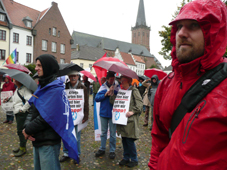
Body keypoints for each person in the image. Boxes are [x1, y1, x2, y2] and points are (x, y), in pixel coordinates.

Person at [148, 0, 227, 169]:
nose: (182, 33)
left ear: (213, 32)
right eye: (179, 26)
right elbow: (159, 139)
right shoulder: (166, 84)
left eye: (193, 25)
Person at [23, 54, 79, 170]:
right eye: (36, 65)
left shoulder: (56, 90)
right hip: (37, 139)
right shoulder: (41, 88)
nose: (36, 68)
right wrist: (26, 127)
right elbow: (32, 109)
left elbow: (46, 118)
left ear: (47, 67)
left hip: (49, 142)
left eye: (39, 65)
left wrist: (28, 130)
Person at [110, 75, 143, 168]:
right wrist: (112, 93)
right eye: (121, 81)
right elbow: (113, 103)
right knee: (124, 139)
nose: (122, 82)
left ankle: (134, 159)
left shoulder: (134, 91)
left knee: (129, 140)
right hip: (122, 120)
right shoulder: (121, 92)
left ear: (129, 81)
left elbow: (140, 104)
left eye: (123, 81)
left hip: (130, 121)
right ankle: (126, 157)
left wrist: (132, 111)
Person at [59, 70, 89, 164]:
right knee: (65, 135)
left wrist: (86, 115)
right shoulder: (65, 87)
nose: (73, 77)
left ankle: (77, 154)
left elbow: (86, 103)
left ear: (78, 76)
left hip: (78, 115)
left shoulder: (83, 88)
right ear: (68, 76)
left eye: (75, 76)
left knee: (77, 137)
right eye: (71, 75)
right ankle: (66, 153)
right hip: (67, 115)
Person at [3, 79, 32, 157]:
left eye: (16, 79)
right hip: (17, 112)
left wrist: (22, 110)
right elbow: (15, 98)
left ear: (21, 80)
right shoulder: (18, 89)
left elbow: (30, 100)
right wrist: (8, 99)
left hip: (22, 114)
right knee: (19, 131)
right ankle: (21, 147)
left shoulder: (25, 89)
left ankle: (23, 148)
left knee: (21, 131)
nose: (14, 80)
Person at [95, 71, 120, 159]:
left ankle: (112, 150)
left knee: (113, 133)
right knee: (103, 133)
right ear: (107, 79)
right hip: (104, 113)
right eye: (111, 79)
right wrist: (106, 94)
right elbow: (96, 98)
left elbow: (121, 97)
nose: (112, 81)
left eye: (113, 79)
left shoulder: (117, 86)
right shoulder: (103, 87)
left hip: (113, 113)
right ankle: (102, 148)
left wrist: (115, 92)